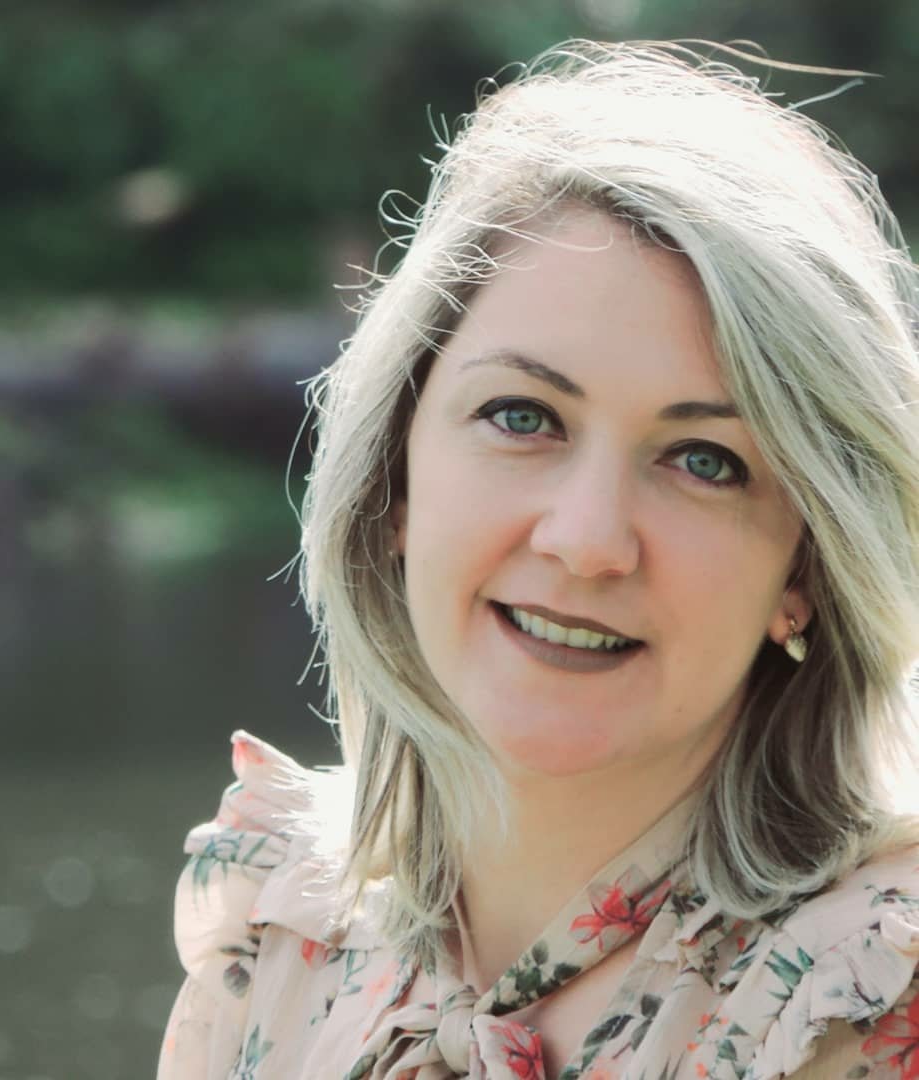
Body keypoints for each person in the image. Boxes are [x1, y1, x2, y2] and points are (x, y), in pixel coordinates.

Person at [157, 41, 919, 1079]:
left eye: (705, 460)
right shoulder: (279, 934)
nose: (587, 539)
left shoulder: (864, 997)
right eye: (523, 416)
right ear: (394, 479)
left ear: (806, 572)